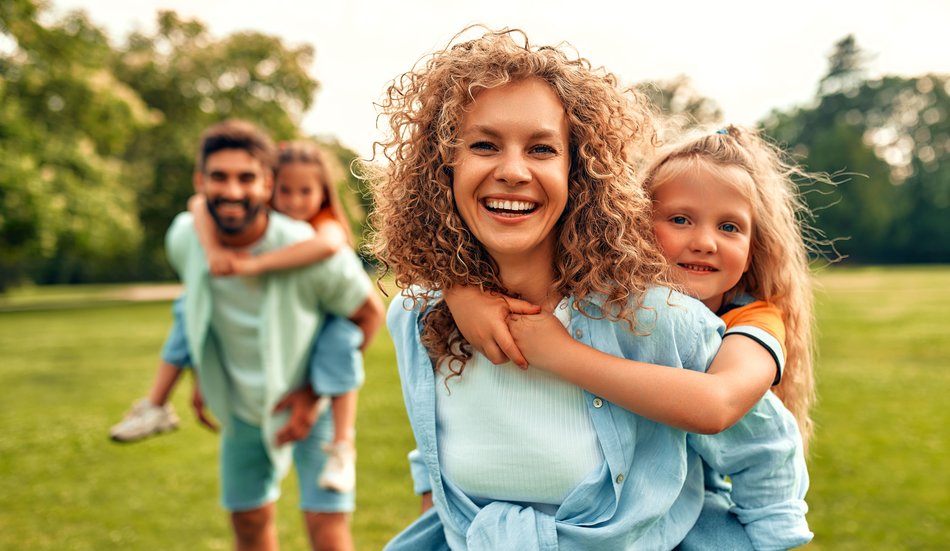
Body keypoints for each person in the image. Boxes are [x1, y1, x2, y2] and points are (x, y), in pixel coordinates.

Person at [369, 27, 808, 550]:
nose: (512, 171)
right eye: (484, 145)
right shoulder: (417, 316)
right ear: (443, 166)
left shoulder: (657, 319)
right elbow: (433, 455)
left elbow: (761, 445)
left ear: (580, 172)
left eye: (541, 149)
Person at [447, 124, 818, 549]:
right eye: (680, 220)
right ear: (634, 224)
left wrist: (560, 354)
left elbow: (717, 404)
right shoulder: (617, 296)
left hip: (693, 505)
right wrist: (460, 293)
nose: (705, 242)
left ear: (756, 245)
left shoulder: (753, 318)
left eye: (730, 228)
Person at [165, 119, 383, 551]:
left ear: (267, 183)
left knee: (327, 530)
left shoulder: (313, 249)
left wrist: (314, 393)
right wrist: (201, 379)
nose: (231, 191)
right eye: (219, 177)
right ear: (200, 182)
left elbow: (369, 313)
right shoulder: (185, 237)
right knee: (248, 522)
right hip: (243, 408)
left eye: (246, 177)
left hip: (314, 407)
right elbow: (198, 308)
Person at [110, 140, 362, 493]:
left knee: (341, 344)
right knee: (188, 307)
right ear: (271, 187)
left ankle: (342, 444)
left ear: (323, 194)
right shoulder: (260, 222)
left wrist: (253, 265)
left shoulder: (323, 225)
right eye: (285, 191)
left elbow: (329, 246)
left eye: (306, 191)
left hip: (325, 321)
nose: (294, 201)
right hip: (265, 370)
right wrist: (213, 251)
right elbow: (198, 203)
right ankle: (156, 403)